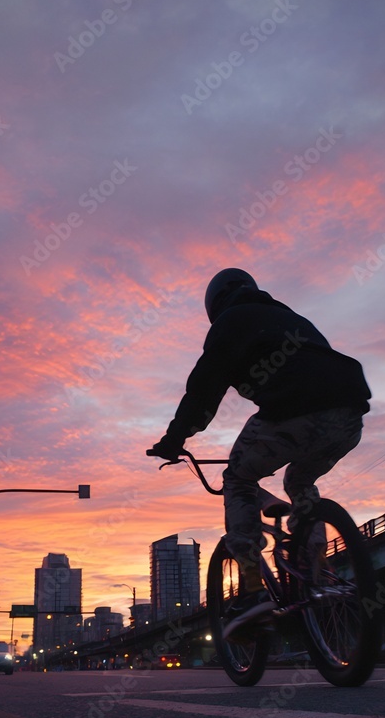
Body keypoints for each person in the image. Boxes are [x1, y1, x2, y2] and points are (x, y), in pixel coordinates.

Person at [149, 268, 371, 633]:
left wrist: (174, 440)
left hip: (293, 410)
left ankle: (252, 591)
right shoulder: (293, 318)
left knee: (238, 479)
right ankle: (315, 566)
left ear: (214, 305)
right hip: (348, 414)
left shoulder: (231, 321)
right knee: (300, 482)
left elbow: (203, 391)